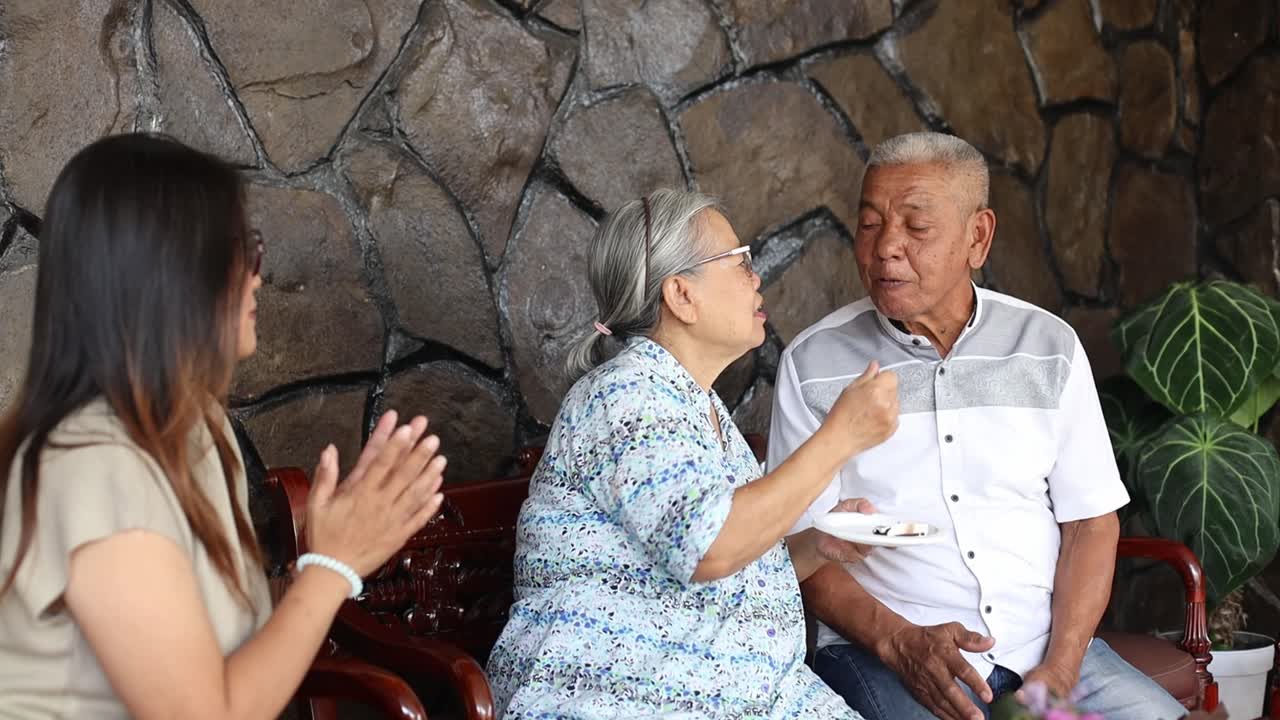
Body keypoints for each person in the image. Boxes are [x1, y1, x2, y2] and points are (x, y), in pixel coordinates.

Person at [0, 133, 447, 719]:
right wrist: (332, 568)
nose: (258, 276)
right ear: (172, 277)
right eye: (242, 250)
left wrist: (329, 548)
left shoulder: (198, 430)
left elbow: (218, 646)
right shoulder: (91, 466)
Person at [768, 132, 1187, 720]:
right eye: (869, 225)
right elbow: (803, 554)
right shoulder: (814, 366)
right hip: (888, 654)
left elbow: (1091, 524)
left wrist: (1060, 671)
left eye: (916, 228)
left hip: (1046, 652)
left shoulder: (1047, 347)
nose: (886, 247)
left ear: (978, 237)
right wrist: (899, 642)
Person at [486, 189, 899, 718]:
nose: (756, 276)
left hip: (734, 694)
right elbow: (709, 548)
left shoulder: (698, 405)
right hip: (627, 695)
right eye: (739, 261)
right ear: (681, 295)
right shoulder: (624, 397)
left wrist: (820, 546)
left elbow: (728, 560)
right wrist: (840, 437)